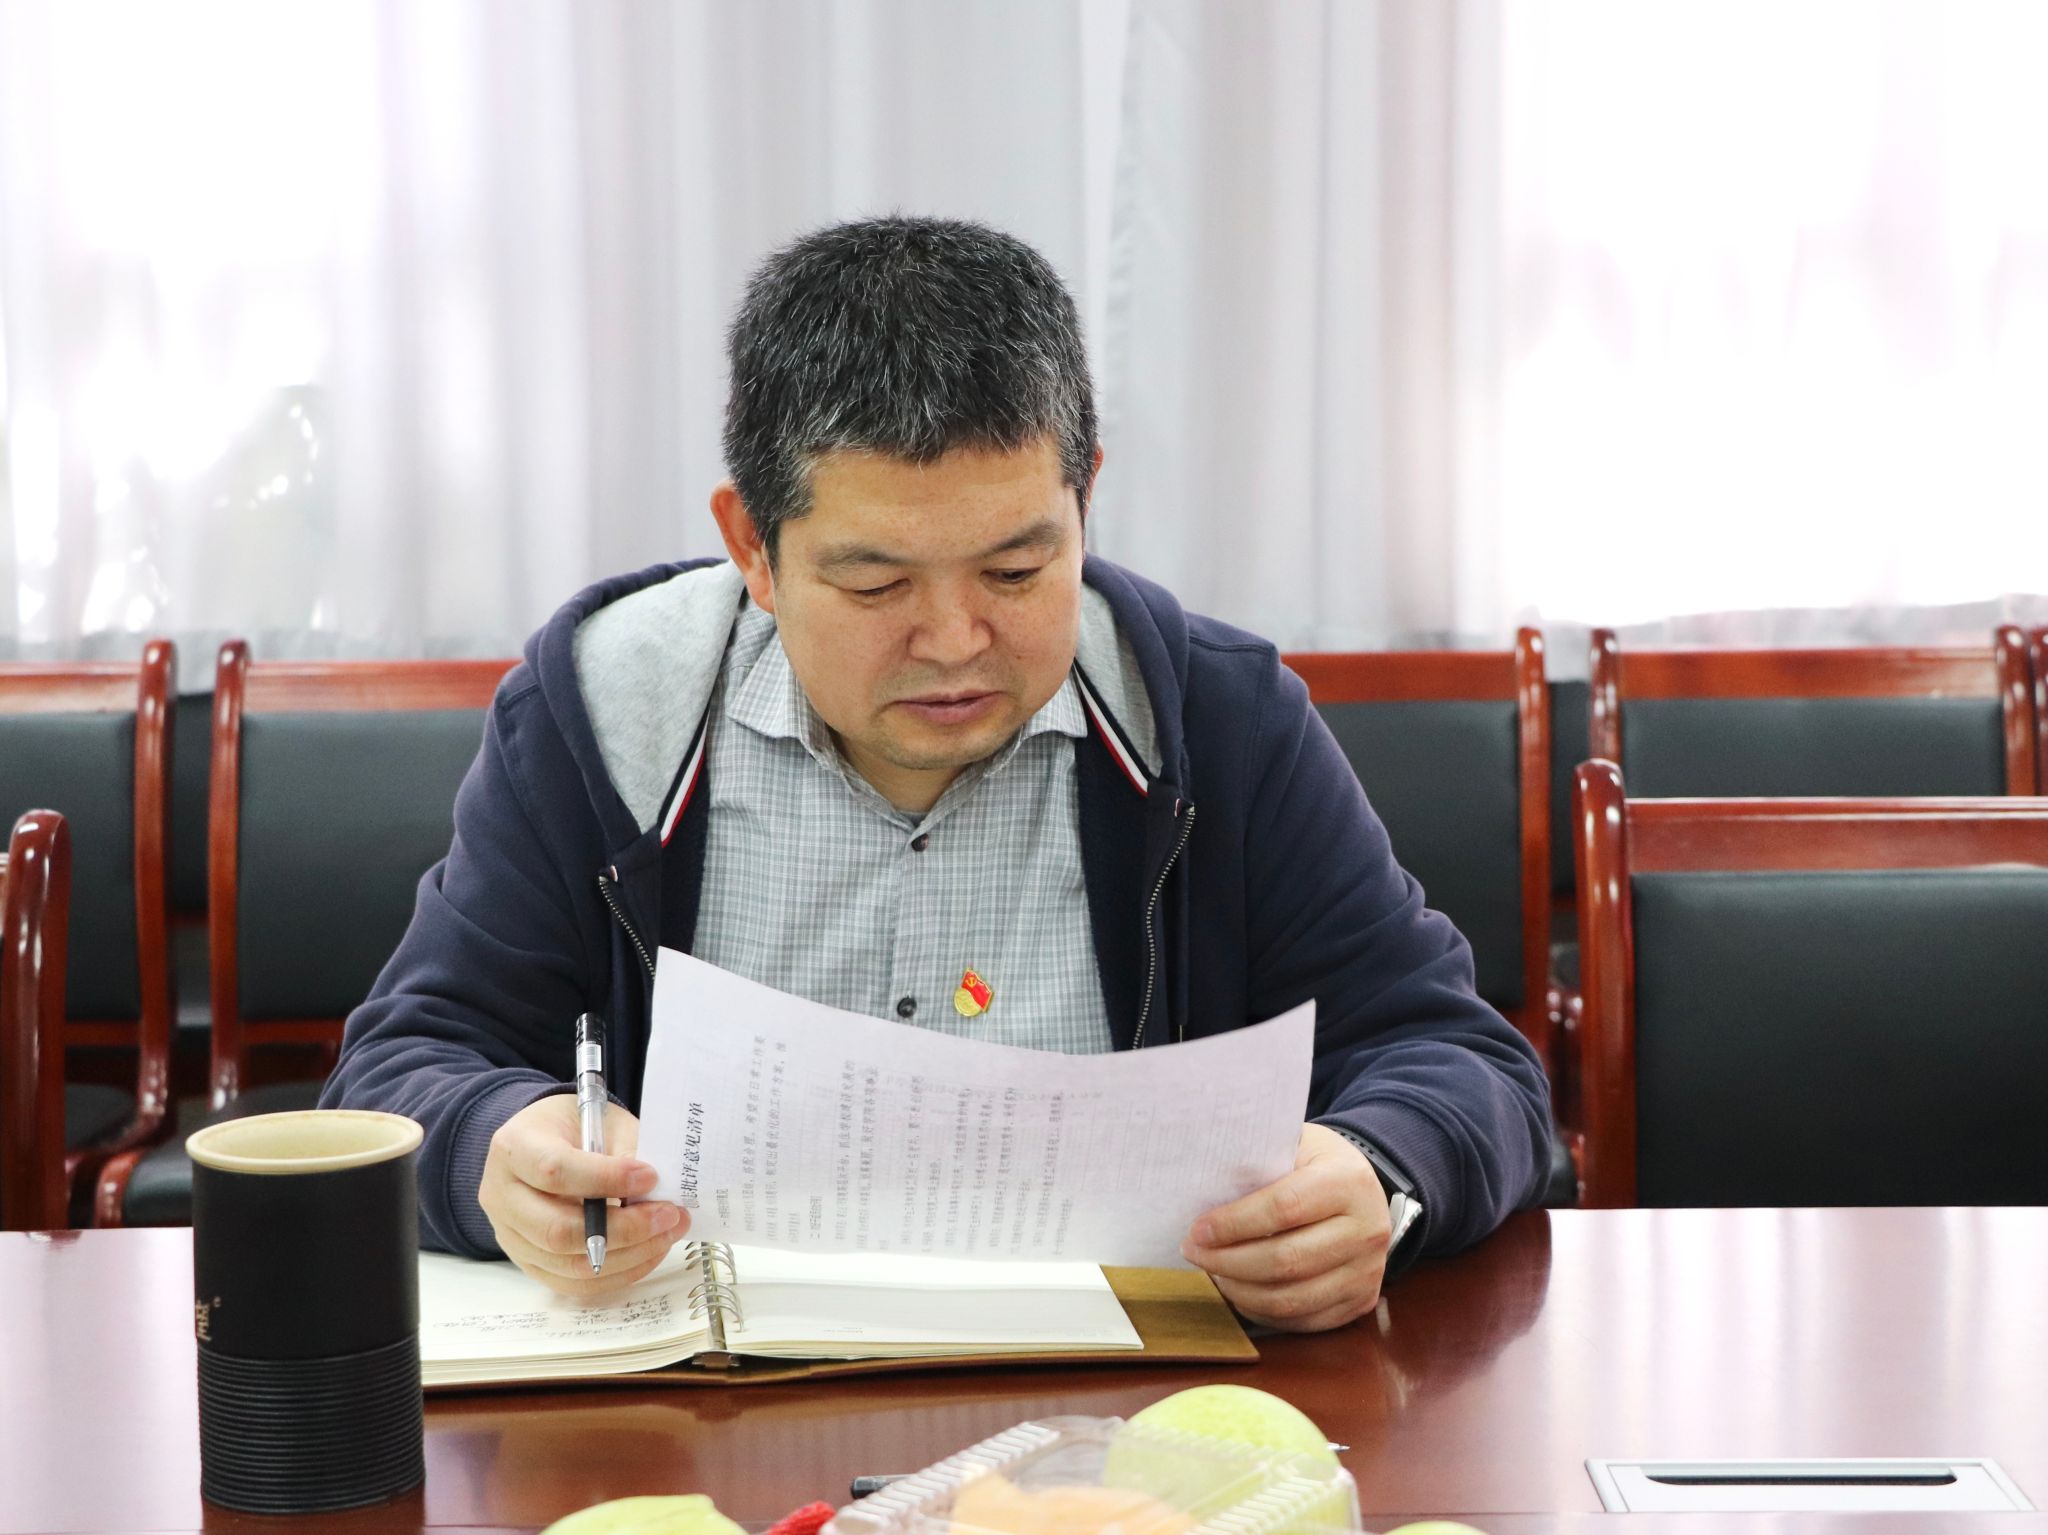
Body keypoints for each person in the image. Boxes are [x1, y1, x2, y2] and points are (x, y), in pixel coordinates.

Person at [323, 216, 1552, 1334]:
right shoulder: (603, 715)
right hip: (708, 1419)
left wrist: (1377, 1173)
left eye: (1016, 571)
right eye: (875, 583)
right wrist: (497, 1151)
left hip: (1121, 1423)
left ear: (1085, 498)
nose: (956, 641)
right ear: (752, 545)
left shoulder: (1213, 722)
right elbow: (401, 1066)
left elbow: (1460, 1058)